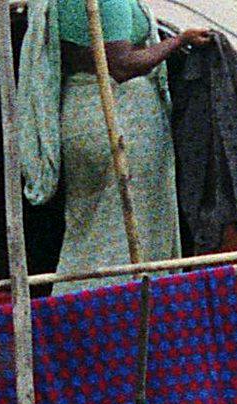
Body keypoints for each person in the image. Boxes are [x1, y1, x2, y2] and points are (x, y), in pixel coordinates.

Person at [18, 0, 211, 282]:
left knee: (91, 231)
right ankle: (125, 311)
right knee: (131, 233)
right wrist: (178, 41)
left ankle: (83, 308)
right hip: (119, 120)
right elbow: (121, 65)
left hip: (82, 115)